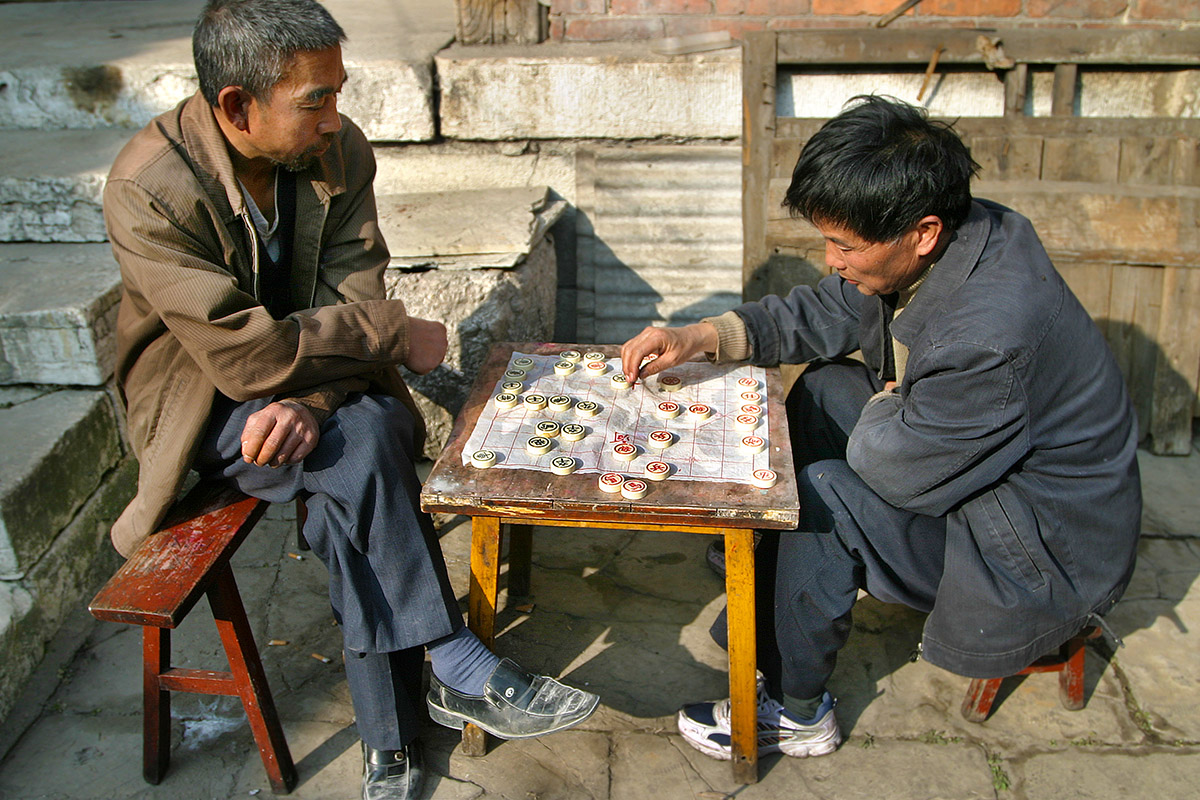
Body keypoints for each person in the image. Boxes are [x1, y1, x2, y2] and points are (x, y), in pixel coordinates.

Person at [103, 1, 597, 797]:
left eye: (338, 93)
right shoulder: (147, 189)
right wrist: (392, 333)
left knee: (351, 460)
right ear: (236, 106)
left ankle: (390, 742)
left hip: (319, 391)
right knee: (364, 448)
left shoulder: (336, 151)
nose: (336, 117)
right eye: (315, 101)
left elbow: (352, 286)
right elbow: (243, 353)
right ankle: (451, 662)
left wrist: (316, 402)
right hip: (202, 405)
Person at [620, 95, 1141, 762]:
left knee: (827, 495)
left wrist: (889, 409)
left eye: (844, 244)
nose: (831, 258)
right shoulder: (956, 234)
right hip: (982, 477)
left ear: (921, 233)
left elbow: (892, 466)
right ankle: (765, 579)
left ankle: (796, 707)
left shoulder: (988, 334)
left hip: (1038, 550)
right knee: (824, 386)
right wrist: (698, 336)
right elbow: (823, 310)